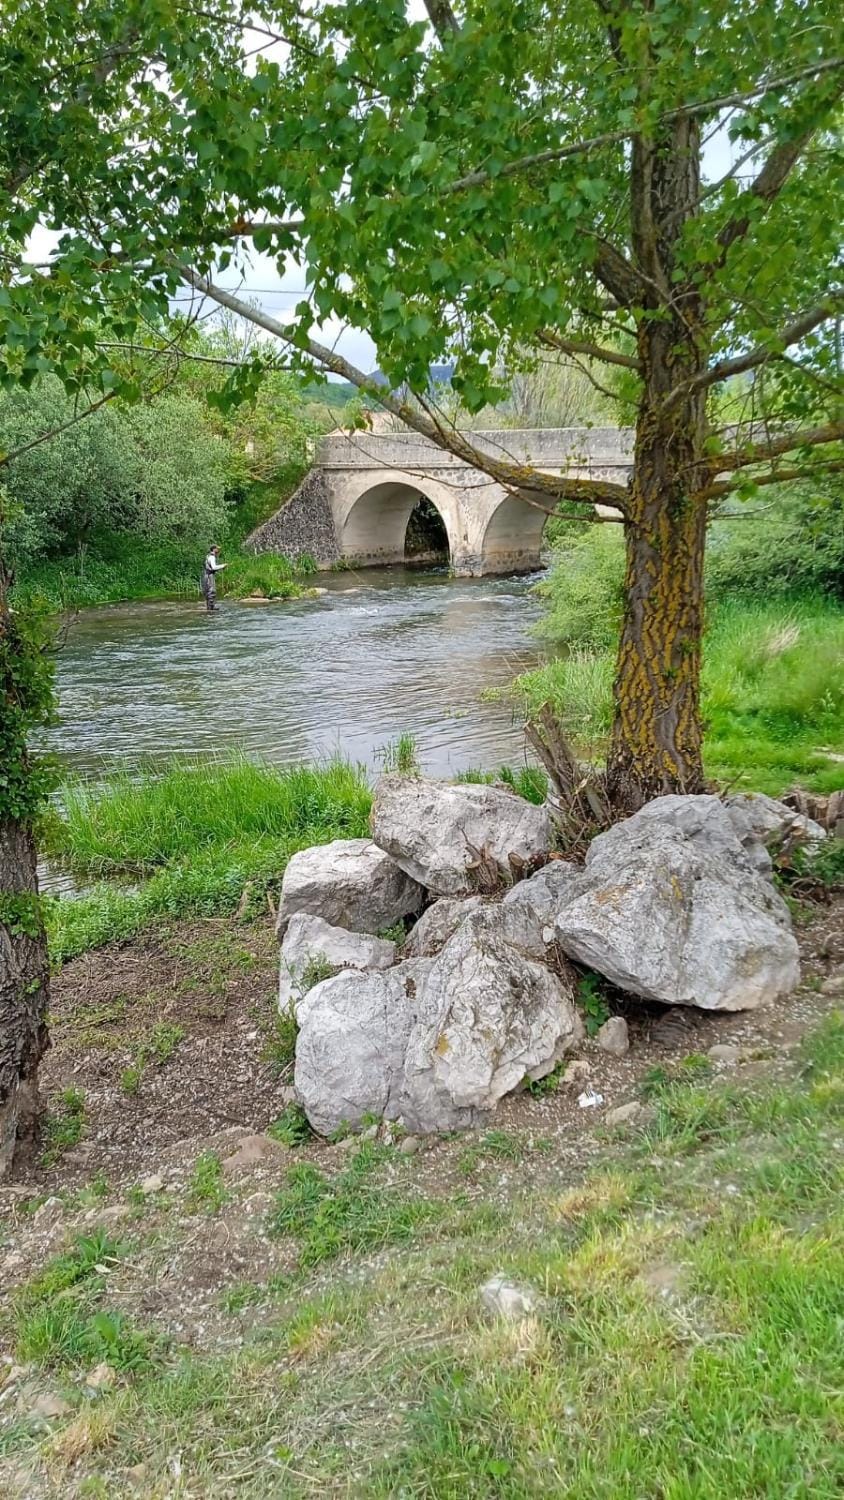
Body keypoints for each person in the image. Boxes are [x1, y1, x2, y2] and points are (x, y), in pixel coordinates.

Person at [202, 545, 226, 612]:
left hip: (206, 575)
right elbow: (214, 567)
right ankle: (211, 608)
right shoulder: (212, 557)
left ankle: (209, 607)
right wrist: (223, 566)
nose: (218, 550)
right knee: (211, 591)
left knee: (208, 591)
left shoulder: (208, 556)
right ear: (214, 549)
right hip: (209, 576)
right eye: (217, 549)